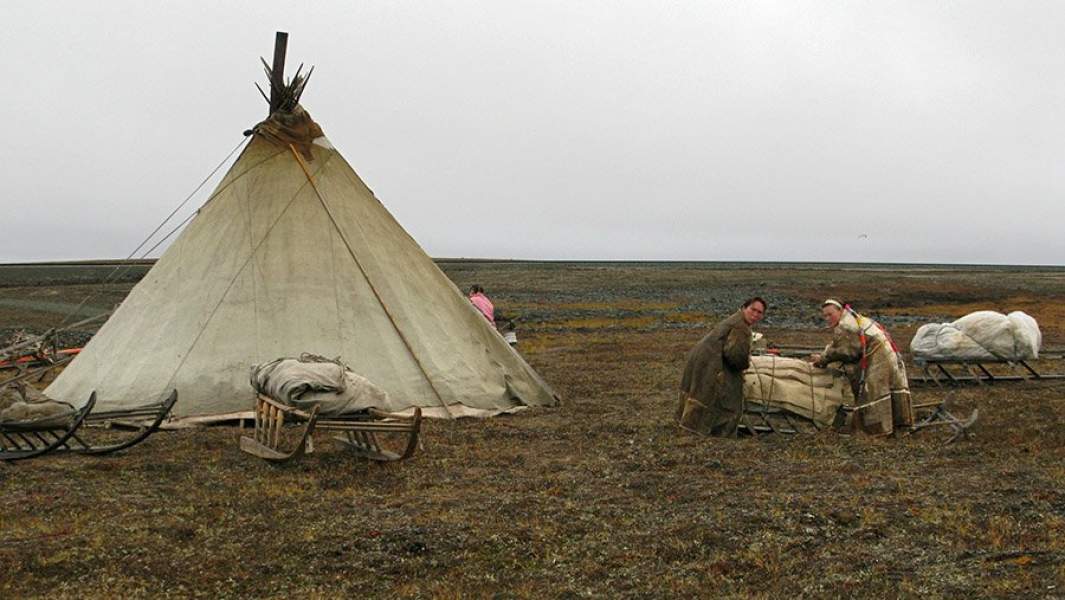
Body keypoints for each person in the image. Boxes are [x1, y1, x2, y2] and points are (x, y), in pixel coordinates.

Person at [808, 299, 912, 435]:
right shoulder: (853, 319)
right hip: (888, 356)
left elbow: (845, 351)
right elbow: (839, 344)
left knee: (873, 392)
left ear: (840, 311)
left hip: (879, 360)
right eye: (825, 316)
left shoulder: (847, 326)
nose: (827, 318)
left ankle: (877, 431)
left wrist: (822, 360)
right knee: (889, 388)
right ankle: (897, 427)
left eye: (830, 314)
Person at [677, 297, 767, 437]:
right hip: (710, 361)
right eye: (753, 310)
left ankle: (690, 426)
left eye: (759, 312)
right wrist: (745, 364)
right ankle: (716, 432)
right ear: (744, 308)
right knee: (724, 396)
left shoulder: (736, 320)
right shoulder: (740, 327)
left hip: (702, 359)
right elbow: (735, 355)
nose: (755, 315)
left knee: (699, 392)